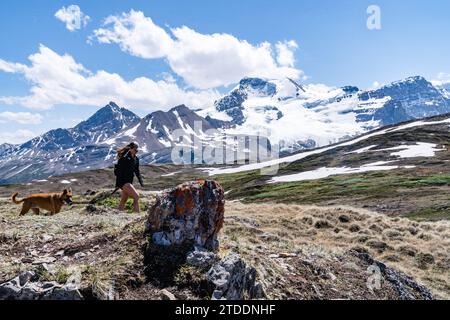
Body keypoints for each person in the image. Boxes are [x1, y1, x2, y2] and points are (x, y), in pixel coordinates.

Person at [115, 142, 144, 213]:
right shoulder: (124, 158)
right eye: (135, 149)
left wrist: (141, 181)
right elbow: (117, 171)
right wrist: (119, 183)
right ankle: (137, 215)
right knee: (136, 196)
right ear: (130, 149)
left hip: (129, 181)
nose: (137, 151)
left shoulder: (136, 159)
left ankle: (118, 214)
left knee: (124, 200)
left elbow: (137, 171)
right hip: (124, 182)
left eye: (137, 150)